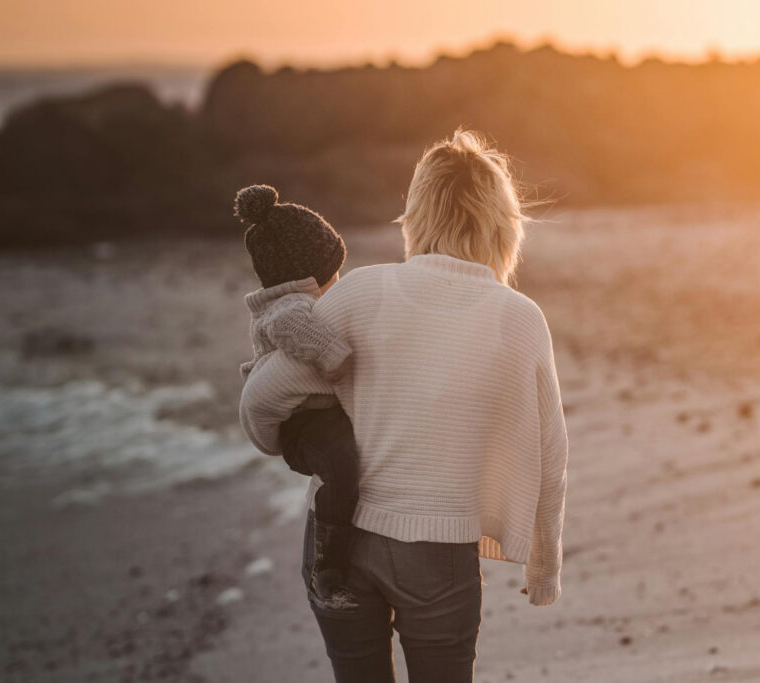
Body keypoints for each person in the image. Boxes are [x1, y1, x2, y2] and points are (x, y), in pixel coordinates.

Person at [240, 129, 569, 683]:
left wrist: (287, 442)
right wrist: (544, 568)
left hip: (337, 541)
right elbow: (550, 453)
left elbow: (261, 398)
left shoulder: (361, 293)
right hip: (437, 554)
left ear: (414, 217)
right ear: (503, 224)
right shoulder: (518, 317)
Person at [234, 184, 360, 611]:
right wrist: (334, 355)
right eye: (333, 275)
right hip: (301, 424)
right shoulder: (288, 307)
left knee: (352, 457)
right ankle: (329, 566)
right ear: (308, 273)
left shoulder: (295, 298)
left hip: (318, 416)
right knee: (343, 465)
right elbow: (295, 327)